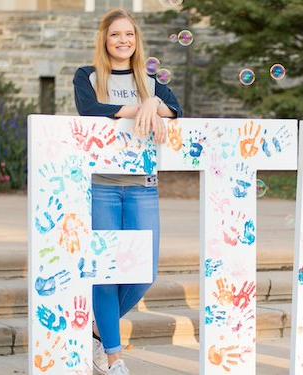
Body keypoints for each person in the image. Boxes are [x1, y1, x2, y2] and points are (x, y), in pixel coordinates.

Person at [73, 8, 183, 375]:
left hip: (142, 187)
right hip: (102, 186)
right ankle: (115, 357)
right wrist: (141, 108)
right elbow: (90, 111)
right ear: (104, 40)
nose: (123, 41)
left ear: (137, 42)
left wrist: (153, 101)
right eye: (116, 34)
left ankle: (94, 328)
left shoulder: (150, 82)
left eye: (130, 35)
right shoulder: (88, 76)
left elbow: (176, 109)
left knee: (143, 273)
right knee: (106, 273)